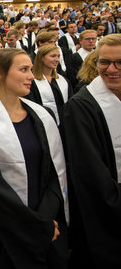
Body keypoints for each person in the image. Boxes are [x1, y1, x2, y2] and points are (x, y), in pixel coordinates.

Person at [0, 48, 69, 269]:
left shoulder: (41, 116)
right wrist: (35, 225)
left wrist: (44, 219)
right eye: (24, 70)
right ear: (0, 72)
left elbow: (55, 174)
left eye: (30, 69)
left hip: (46, 226)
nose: (31, 75)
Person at [63, 34, 121, 268]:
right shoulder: (81, 107)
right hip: (103, 211)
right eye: (104, 62)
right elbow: (89, 170)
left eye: (119, 62)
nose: (111, 69)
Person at [26, 45, 71, 125]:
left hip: (65, 125)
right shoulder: (31, 82)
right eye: (53, 56)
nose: (57, 59)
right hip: (42, 125)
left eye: (58, 56)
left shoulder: (64, 81)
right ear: (42, 58)